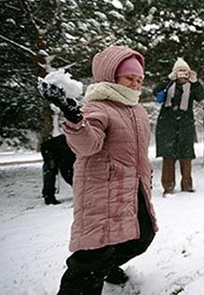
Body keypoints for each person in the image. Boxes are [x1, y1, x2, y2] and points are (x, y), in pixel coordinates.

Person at [38, 45, 159, 294]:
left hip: (132, 188)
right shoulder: (98, 107)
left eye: (139, 79)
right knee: (93, 255)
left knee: (141, 237)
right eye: (129, 78)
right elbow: (87, 145)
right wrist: (74, 119)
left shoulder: (138, 111)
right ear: (111, 77)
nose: (135, 84)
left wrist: (145, 176)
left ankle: (105, 268)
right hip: (101, 192)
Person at [153, 58, 204, 195]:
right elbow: (156, 92)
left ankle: (187, 185)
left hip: (185, 125)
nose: (182, 76)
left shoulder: (192, 87)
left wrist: (195, 81)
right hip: (167, 125)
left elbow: (201, 96)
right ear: (175, 73)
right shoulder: (168, 84)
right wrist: (168, 79)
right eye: (179, 72)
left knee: (186, 155)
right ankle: (168, 187)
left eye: (185, 72)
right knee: (168, 156)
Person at [39, 133, 75, 205]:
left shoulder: (73, 145)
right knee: (51, 171)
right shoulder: (72, 150)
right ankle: (49, 197)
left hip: (53, 148)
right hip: (51, 149)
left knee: (50, 172)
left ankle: (47, 193)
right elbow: (66, 172)